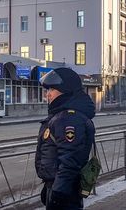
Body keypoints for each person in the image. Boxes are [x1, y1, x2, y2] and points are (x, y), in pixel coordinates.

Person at [35, 67, 96, 210]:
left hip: (65, 191)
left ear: (65, 91)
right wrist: (49, 185)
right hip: (61, 186)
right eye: (47, 90)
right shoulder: (62, 116)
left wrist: (58, 191)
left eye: (52, 90)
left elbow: (70, 159)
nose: (48, 95)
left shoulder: (68, 118)